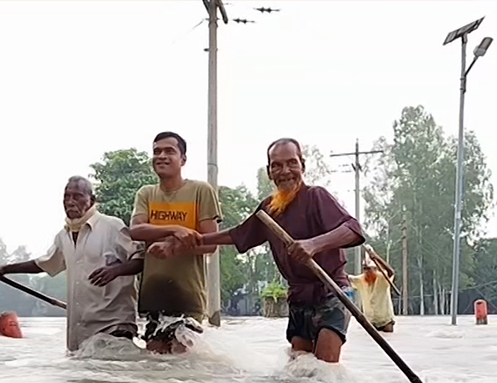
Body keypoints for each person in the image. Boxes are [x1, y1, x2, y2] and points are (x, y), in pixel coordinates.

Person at [152, 137, 366, 363]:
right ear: (270, 172)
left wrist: (314, 244)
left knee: (325, 368)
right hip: (299, 298)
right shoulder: (269, 209)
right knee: (301, 369)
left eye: (292, 163)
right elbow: (237, 235)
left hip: (331, 291)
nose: (285, 171)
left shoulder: (316, 196)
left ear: (302, 165)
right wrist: (183, 243)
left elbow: (354, 230)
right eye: (277, 166)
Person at [0, 176, 143, 352]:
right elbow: (43, 264)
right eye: (66, 197)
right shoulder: (63, 235)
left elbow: (140, 260)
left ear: (91, 200)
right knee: (83, 369)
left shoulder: (112, 227)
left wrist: (116, 270)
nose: (70, 202)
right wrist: (3, 270)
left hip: (114, 324)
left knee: (115, 366)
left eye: (77, 196)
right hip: (81, 328)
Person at [129, 131, 222, 353]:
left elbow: (211, 243)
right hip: (153, 296)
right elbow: (136, 230)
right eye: (157, 152)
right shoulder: (146, 193)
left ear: (183, 159)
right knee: (155, 366)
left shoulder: (200, 191)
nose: (161, 156)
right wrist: (176, 229)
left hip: (188, 297)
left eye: (169, 151)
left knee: (184, 365)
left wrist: (173, 247)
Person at [348, 255, 395, 333]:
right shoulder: (361, 279)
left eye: (369, 269)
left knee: (388, 334)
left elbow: (391, 272)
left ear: (375, 269)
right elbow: (346, 278)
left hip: (385, 320)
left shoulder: (382, 278)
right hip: (370, 320)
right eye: (365, 269)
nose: (366, 272)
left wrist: (377, 258)